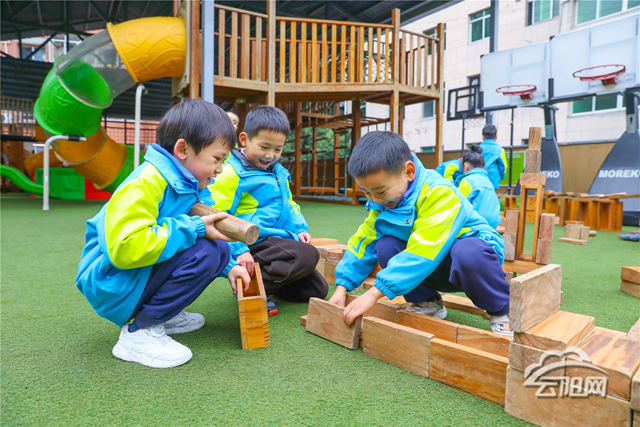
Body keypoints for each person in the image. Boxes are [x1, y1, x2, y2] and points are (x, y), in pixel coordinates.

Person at [76, 99, 251, 368]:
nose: (220, 169)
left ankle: (162, 315)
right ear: (183, 149)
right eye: (217, 159)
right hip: (110, 281)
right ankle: (139, 333)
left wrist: (229, 267)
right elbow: (126, 248)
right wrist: (194, 228)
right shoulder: (146, 181)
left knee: (217, 249)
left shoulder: (187, 183)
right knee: (207, 250)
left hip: (131, 274)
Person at [327, 131, 513, 336]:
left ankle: (502, 310)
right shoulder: (384, 203)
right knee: (386, 245)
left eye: (380, 191)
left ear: (409, 171)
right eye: (366, 192)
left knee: (468, 251)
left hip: (474, 264)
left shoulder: (438, 191)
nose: (375, 200)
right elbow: (364, 240)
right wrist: (342, 286)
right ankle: (427, 302)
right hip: (432, 266)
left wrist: (374, 293)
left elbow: (426, 248)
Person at [207, 105, 328, 316]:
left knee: (316, 290)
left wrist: (299, 228)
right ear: (244, 140)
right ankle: (249, 285)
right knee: (309, 254)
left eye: (278, 149)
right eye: (264, 147)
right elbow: (217, 215)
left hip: (275, 240)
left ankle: (266, 283)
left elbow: (289, 204)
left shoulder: (278, 171)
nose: (271, 155)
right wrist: (239, 250)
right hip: (252, 240)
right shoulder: (231, 173)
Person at [435, 124, 507, 189]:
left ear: (483, 137)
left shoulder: (478, 148)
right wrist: (500, 177)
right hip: (493, 179)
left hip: (477, 178)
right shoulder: (500, 150)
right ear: (496, 137)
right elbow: (503, 167)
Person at [456, 144, 502, 229]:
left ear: (465, 165)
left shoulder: (468, 181)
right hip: (492, 226)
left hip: (474, 227)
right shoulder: (488, 181)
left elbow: (458, 207)